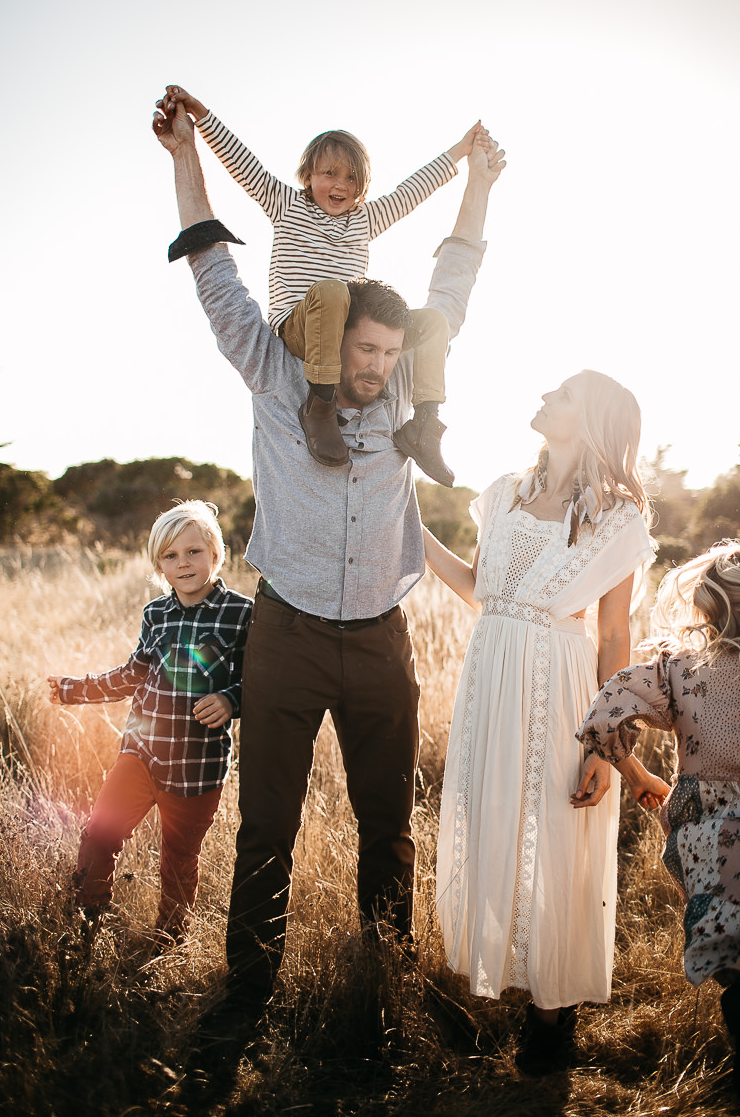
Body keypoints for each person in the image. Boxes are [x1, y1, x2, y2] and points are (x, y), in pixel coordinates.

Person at [152, 94, 505, 1017]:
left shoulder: (403, 393)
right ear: (328, 339)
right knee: (266, 824)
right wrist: (185, 156)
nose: (378, 366)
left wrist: (477, 182)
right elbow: (216, 277)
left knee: (388, 824)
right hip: (287, 635)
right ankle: (246, 989)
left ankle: (384, 980)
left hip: (382, 638)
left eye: (390, 352)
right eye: (364, 350)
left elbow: (454, 282)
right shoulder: (276, 374)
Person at [423, 371, 657, 1073]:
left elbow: (613, 638)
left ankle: (551, 1014)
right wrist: (414, 530)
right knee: (492, 819)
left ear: (593, 422)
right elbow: (481, 591)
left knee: (554, 834)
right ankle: (503, 974)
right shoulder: (503, 494)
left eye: (563, 395)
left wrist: (606, 745)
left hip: (561, 685)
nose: (546, 397)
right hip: (490, 676)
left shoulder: (617, 520)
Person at [160, 83, 484, 485]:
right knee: (334, 291)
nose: (340, 185)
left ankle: (425, 424)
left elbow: (413, 190)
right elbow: (242, 161)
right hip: (299, 327)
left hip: (346, 330)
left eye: (351, 177)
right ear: (308, 175)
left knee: (435, 321)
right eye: (329, 173)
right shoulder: (285, 205)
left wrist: (461, 149)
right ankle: (320, 406)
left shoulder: (365, 219)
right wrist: (202, 115)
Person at [48, 500, 253, 943]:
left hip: (198, 766)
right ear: (159, 564)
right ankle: (85, 925)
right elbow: (131, 675)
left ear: (216, 553)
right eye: (170, 556)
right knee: (99, 834)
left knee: (179, 859)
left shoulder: (242, 613)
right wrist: (72, 689)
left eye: (194, 552)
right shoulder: (156, 614)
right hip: (141, 752)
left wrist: (231, 699)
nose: (183, 564)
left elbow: (264, 679)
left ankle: (168, 940)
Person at [577, 540, 740, 1089]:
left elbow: (605, 712)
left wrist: (632, 770)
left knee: (733, 958)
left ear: (707, 606)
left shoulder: (681, 669)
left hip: (712, 840)